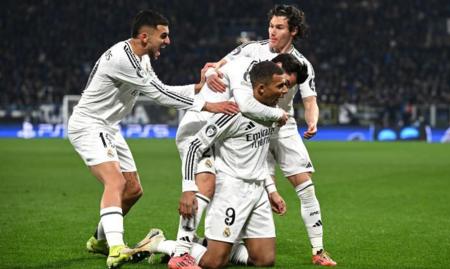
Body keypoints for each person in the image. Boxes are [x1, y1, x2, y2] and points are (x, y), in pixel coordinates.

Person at [67, 10, 237, 269]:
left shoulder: (141, 58)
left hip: (109, 127)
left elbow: (161, 88)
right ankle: (116, 249)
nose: (168, 41)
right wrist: (207, 105)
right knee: (115, 180)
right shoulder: (124, 60)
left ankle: (99, 240)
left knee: (133, 190)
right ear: (145, 37)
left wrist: (197, 88)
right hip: (89, 125)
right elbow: (161, 97)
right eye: (164, 35)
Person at [207, 4, 336, 266]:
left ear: (293, 31)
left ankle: (318, 250)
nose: (272, 32)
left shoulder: (302, 65)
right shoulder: (252, 49)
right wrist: (209, 73)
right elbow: (218, 65)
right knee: (250, 184)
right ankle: (222, 241)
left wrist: (312, 122)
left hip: (284, 124)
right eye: (271, 26)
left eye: (279, 27)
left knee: (306, 186)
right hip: (252, 122)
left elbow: (310, 100)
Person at [135, 61, 289, 269]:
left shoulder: (272, 113)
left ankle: (206, 245)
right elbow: (194, 146)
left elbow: (260, 155)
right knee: (214, 263)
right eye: (280, 86)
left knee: (265, 260)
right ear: (261, 88)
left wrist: (271, 190)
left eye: (285, 85)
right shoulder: (233, 112)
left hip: (257, 191)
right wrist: (189, 189)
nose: (285, 90)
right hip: (231, 190)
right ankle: (161, 244)